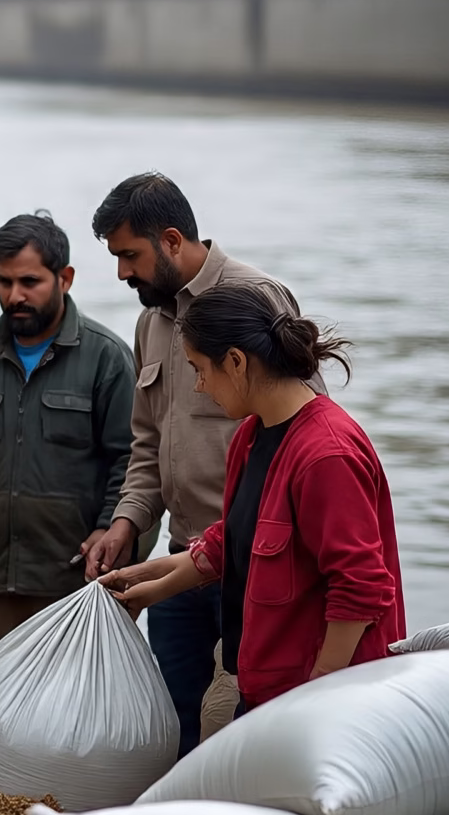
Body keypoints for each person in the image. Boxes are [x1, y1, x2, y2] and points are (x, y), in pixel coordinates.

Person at [82, 172, 319, 755]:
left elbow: (304, 430)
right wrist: (126, 523)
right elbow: (147, 443)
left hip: (255, 568)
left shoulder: (256, 299)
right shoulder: (151, 321)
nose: (121, 273)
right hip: (180, 561)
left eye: (128, 256)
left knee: (244, 728)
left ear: (170, 239)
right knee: (178, 727)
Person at [102, 283, 405, 710]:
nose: (200, 387)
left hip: (318, 699)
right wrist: (146, 584)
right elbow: (235, 539)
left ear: (237, 362)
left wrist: (318, 692)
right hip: (261, 684)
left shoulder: (326, 454)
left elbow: (360, 588)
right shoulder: (251, 434)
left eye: (200, 370)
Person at [0, 212, 135, 668]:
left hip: (80, 589)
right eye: (4, 282)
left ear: (65, 278)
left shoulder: (107, 358)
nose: (14, 296)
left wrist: (108, 528)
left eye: (29, 281)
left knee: (79, 729)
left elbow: (134, 461)